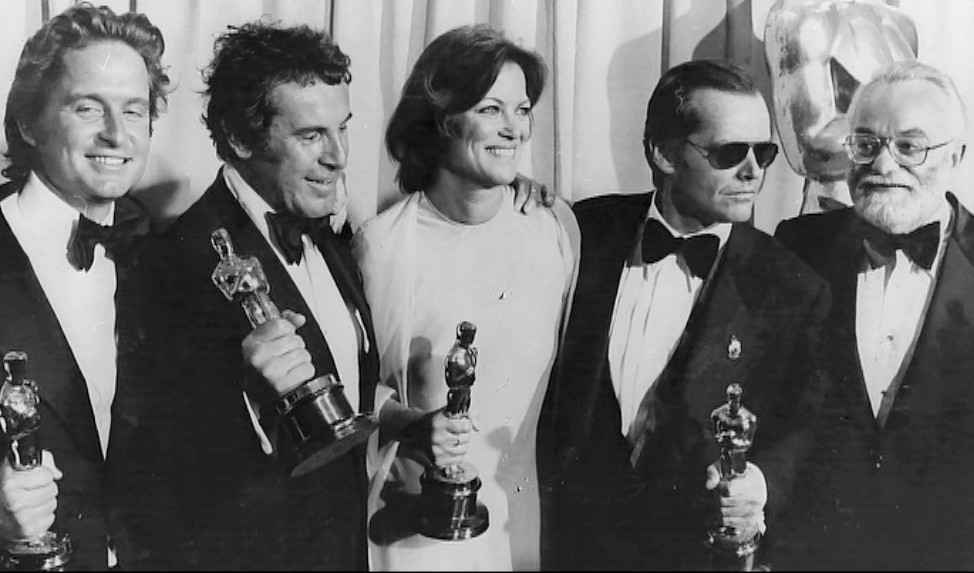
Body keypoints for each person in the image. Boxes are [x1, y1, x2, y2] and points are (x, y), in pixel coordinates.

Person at [538, 59, 830, 570]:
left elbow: (809, 430)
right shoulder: (581, 230)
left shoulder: (791, 286)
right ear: (663, 153)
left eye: (762, 153)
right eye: (730, 153)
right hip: (570, 551)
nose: (753, 172)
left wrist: (761, 485)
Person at [134, 22, 376, 569]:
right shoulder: (174, 263)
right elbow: (159, 473)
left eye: (342, 128)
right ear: (241, 138)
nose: (339, 156)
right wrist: (246, 394)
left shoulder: (329, 233)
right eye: (310, 136)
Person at [354, 24, 578, 571]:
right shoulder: (380, 247)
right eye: (490, 109)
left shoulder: (554, 229)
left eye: (522, 110)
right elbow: (354, 395)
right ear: (440, 118)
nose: (514, 129)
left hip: (519, 526)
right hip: (413, 535)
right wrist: (411, 425)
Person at [774, 60, 974, 569]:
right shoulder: (798, 248)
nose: (884, 164)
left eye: (909, 146)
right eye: (866, 144)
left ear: (956, 156)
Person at [0, 3, 169, 568]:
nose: (116, 134)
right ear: (29, 123)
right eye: (88, 107)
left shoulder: (160, 255)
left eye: (134, 110)